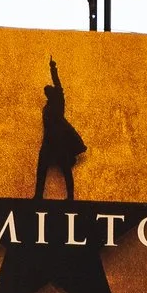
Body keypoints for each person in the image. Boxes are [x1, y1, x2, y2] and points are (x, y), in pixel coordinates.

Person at [33, 62, 88, 202]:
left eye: (49, 89)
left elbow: (57, 83)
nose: (47, 91)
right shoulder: (48, 106)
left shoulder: (59, 100)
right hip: (48, 141)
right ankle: (38, 195)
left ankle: (70, 197)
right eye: (46, 91)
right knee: (41, 168)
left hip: (59, 141)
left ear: (53, 92)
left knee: (65, 170)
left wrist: (53, 69)